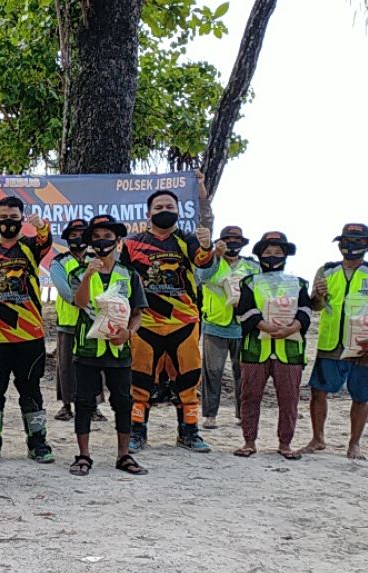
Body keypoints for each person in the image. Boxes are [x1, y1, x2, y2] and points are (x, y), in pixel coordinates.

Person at [120, 189, 214, 453]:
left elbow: (203, 262)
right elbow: (121, 281)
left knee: (188, 381)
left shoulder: (187, 239)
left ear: (178, 211)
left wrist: (206, 246)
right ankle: (137, 431)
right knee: (139, 382)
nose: (164, 210)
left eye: (169, 206)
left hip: (183, 322)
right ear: (148, 213)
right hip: (146, 323)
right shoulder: (130, 244)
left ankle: (189, 432)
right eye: (159, 207)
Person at [305, 223, 368, 460]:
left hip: (363, 343)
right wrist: (318, 295)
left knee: (361, 395)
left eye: (357, 242)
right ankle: (318, 439)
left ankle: (354, 444)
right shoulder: (326, 270)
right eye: (345, 241)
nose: (350, 246)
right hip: (329, 341)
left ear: (367, 245)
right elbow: (315, 306)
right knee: (318, 392)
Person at [67, 215, 148, 477]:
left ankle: (124, 455)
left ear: (118, 240)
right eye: (97, 237)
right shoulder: (78, 272)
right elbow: (79, 303)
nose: (103, 242)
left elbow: (138, 312)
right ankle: (83, 455)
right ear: (89, 241)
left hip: (118, 349)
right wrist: (89, 275)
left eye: (108, 236)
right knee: (84, 401)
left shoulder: (129, 274)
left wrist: (129, 333)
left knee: (123, 401)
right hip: (88, 348)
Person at [0, 197, 55, 463]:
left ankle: (38, 443)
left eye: (13, 216)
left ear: (21, 219)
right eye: (3, 216)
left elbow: (46, 241)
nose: (8, 221)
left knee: (31, 391)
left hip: (29, 335)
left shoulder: (31, 247)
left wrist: (41, 226)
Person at [233, 232, 311, 460]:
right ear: (259, 255)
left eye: (278, 252)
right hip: (256, 349)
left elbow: (306, 311)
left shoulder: (298, 283)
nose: (273, 257)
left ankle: (285, 443)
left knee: (289, 398)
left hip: (289, 350)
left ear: (286, 255)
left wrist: (291, 328)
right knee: (250, 396)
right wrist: (266, 327)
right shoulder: (249, 282)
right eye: (268, 252)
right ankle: (249, 441)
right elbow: (245, 311)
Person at [196, 225, 260, 430]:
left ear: (243, 244)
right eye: (228, 240)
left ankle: (242, 414)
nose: (233, 244)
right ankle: (210, 415)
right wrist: (215, 255)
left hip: (244, 325)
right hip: (215, 323)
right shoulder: (210, 260)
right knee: (212, 372)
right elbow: (202, 277)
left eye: (237, 240)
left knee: (243, 373)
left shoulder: (252, 266)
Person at [48, 218, 99, 424]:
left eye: (81, 234)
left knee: (94, 364)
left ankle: (94, 406)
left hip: (93, 321)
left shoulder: (96, 259)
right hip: (69, 321)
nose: (77, 238)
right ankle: (67, 406)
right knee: (66, 365)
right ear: (67, 238)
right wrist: (80, 302)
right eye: (73, 235)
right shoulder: (58, 262)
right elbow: (63, 289)